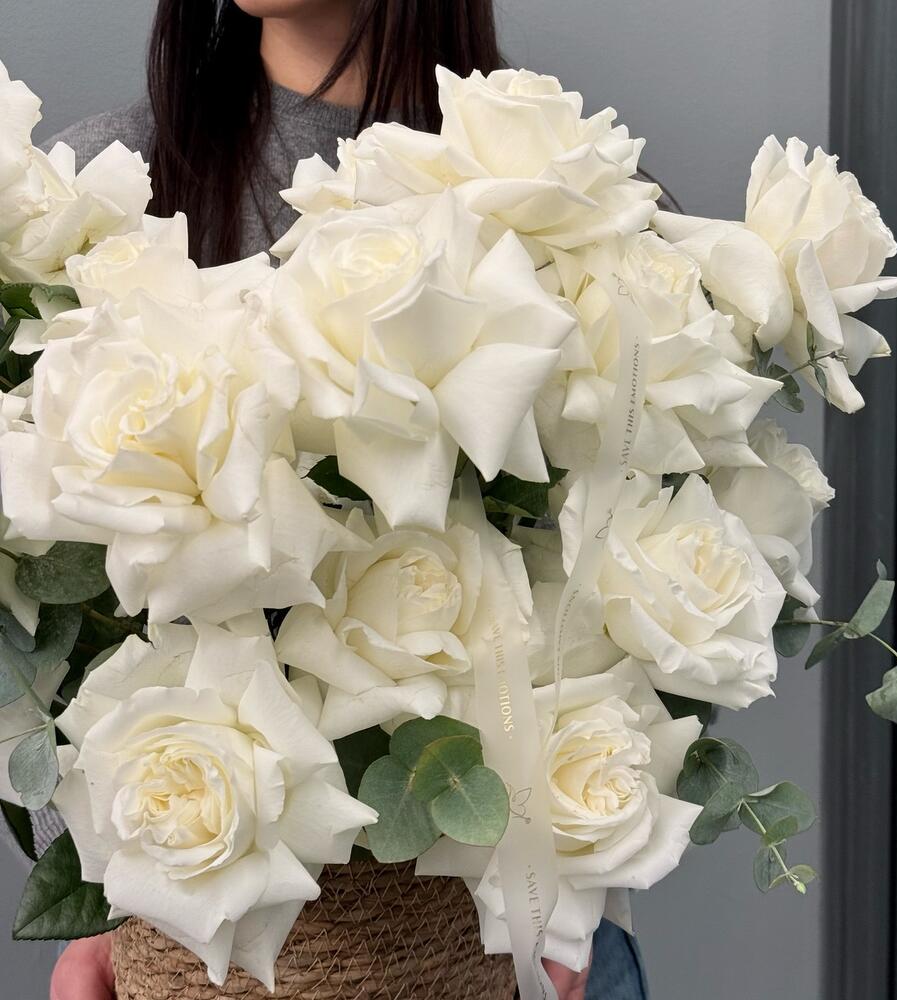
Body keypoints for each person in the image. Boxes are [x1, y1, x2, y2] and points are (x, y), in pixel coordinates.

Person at [39, 3, 656, 998]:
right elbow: (34, 604)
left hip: (511, 949)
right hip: (201, 954)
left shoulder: (566, 193)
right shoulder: (103, 188)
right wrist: (100, 896)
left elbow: (646, 587)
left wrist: (570, 904)